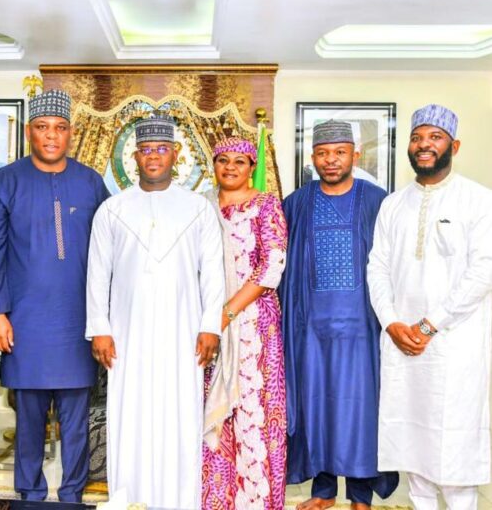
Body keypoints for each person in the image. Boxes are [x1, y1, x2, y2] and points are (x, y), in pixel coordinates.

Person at [87, 115, 225, 509]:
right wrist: (100, 327)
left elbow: (212, 272)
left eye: (161, 150)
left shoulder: (197, 208)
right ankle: (128, 498)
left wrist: (209, 326)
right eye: (146, 150)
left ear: (175, 155)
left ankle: (179, 501)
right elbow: (97, 272)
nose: (153, 157)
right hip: (126, 333)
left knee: (178, 415)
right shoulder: (112, 209)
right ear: (134, 156)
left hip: (184, 332)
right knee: (130, 415)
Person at [0, 89, 109, 502]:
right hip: (24, 322)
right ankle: (29, 495)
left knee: (76, 422)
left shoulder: (91, 182)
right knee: (30, 421)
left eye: (59, 128)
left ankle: (72, 495)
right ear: (29, 133)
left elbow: (110, 252)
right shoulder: (5, 180)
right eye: (42, 128)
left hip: (77, 322)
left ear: (70, 133)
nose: (51, 136)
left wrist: (105, 318)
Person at [367, 104, 492, 510]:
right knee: (413, 451)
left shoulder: (479, 201)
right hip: (401, 342)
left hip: (454, 345)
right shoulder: (393, 204)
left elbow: (482, 273)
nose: (424, 145)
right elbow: (378, 268)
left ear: (453, 145)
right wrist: (391, 322)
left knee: (455, 455)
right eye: (417, 137)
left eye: (434, 137)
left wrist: (429, 325)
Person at [280, 119, 398, 510]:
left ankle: (361, 496)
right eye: (323, 153)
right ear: (312, 157)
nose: (331, 160)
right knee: (317, 406)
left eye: (339, 152)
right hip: (310, 329)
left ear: (355, 154)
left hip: (363, 327)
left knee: (360, 409)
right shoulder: (296, 203)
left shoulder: (377, 200)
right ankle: (324, 491)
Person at [202, 137, 288, 510]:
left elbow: (272, 266)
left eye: (240, 161)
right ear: (214, 165)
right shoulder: (201, 206)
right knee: (214, 408)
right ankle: (217, 500)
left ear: (252, 167)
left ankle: (256, 500)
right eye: (223, 160)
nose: (231, 167)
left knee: (252, 408)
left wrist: (228, 313)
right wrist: (210, 317)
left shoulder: (266, 204)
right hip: (208, 324)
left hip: (254, 326)